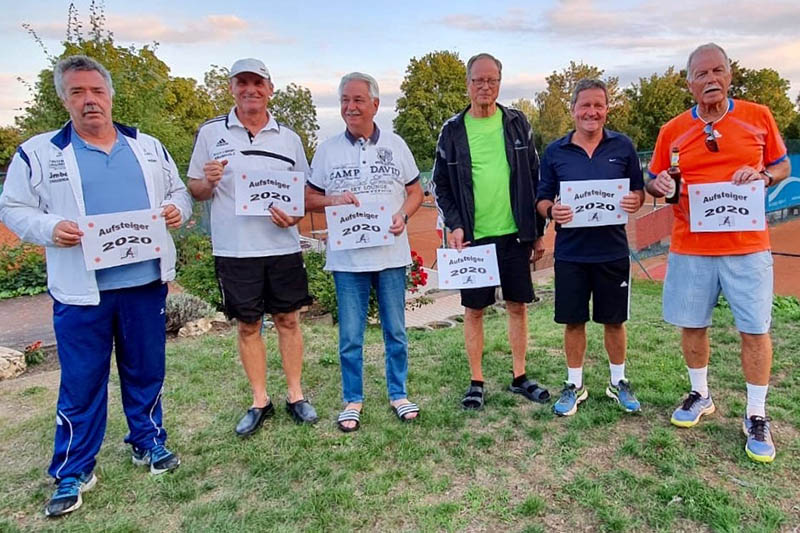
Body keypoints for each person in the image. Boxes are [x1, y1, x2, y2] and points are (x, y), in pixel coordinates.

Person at [0, 55, 191, 517]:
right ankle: (73, 469)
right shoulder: (39, 153)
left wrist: (176, 211)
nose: (89, 101)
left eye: (96, 91)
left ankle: (147, 443)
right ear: (63, 99)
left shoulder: (147, 146)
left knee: (146, 371)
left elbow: (179, 192)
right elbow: (13, 208)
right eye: (77, 93)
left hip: (144, 282)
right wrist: (50, 228)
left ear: (110, 95)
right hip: (82, 291)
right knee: (82, 381)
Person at [647, 43, 790, 463]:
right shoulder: (672, 130)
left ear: (730, 75)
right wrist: (657, 186)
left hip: (747, 246)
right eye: (702, 74)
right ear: (689, 82)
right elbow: (658, 177)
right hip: (691, 245)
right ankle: (700, 394)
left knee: (755, 330)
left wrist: (763, 175)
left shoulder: (758, 116)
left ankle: (756, 414)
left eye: (719, 71)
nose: (711, 79)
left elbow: (781, 165)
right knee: (693, 325)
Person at [187, 58, 318, 435]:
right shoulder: (211, 134)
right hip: (235, 249)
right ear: (231, 88)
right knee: (248, 326)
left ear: (269, 88)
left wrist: (294, 216)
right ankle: (260, 399)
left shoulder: (288, 138)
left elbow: (303, 193)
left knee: (289, 320)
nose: (250, 89)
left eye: (257, 83)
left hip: (282, 246)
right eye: (242, 82)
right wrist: (208, 182)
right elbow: (195, 189)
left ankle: (296, 395)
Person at [305, 72, 423, 432]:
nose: (350, 107)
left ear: (375, 104)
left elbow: (416, 191)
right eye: (344, 100)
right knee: (351, 336)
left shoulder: (396, 145)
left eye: (358, 100)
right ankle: (352, 399)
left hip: (390, 255)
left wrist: (403, 214)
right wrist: (334, 199)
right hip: (347, 260)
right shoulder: (327, 149)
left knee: (396, 332)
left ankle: (398, 393)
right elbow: (309, 198)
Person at [432, 53, 549, 410]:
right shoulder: (452, 131)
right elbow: (440, 185)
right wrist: (454, 224)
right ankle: (477, 381)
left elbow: (535, 177)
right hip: (473, 239)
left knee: (518, 307)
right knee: (475, 310)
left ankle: (519, 376)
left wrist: (537, 230)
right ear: (467, 84)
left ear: (500, 82)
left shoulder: (517, 123)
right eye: (478, 80)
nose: (485, 86)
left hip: (514, 234)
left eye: (491, 80)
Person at [536, 79, 645, 416]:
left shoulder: (623, 146)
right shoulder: (555, 152)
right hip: (571, 253)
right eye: (585, 105)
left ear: (606, 109)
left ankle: (618, 382)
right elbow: (541, 199)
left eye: (598, 105)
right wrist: (552, 210)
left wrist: (633, 201)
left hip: (612, 251)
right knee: (574, 321)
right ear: (573, 110)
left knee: (614, 321)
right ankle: (574, 384)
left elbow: (639, 193)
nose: (591, 112)